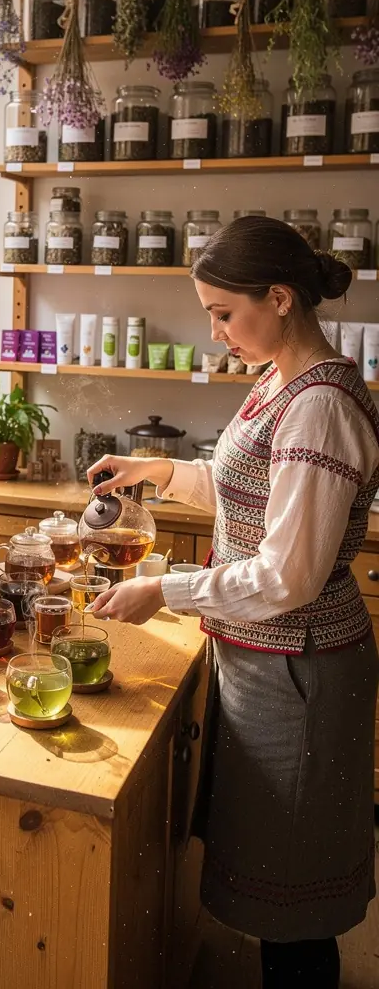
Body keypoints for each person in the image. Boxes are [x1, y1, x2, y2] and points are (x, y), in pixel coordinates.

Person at [87, 215, 379, 989]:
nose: (216, 332)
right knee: (274, 870)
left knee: (296, 895)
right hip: (266, 659)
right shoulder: (280, 377)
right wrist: (157, 469)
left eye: (223, 313)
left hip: (303, 672)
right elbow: (242, 486)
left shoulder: (321, 404)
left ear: (280, 297)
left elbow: (287, 575)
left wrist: (166, 590)